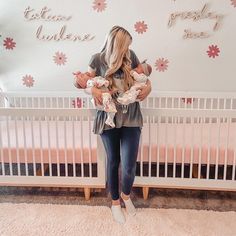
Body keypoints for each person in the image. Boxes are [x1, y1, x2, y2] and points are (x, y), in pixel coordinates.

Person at [74, 25, 152, 224]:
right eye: (124, 46)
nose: (127, 50)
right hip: (108, 118)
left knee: (128, 165)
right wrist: (92, 91)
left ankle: (126, 195)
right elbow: (86, 83)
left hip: (131, 117)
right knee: (113, 161)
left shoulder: (131, 56)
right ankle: (115, 202)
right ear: (116, 44)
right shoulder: (97, 59)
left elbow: (144, 78)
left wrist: (148, 89)